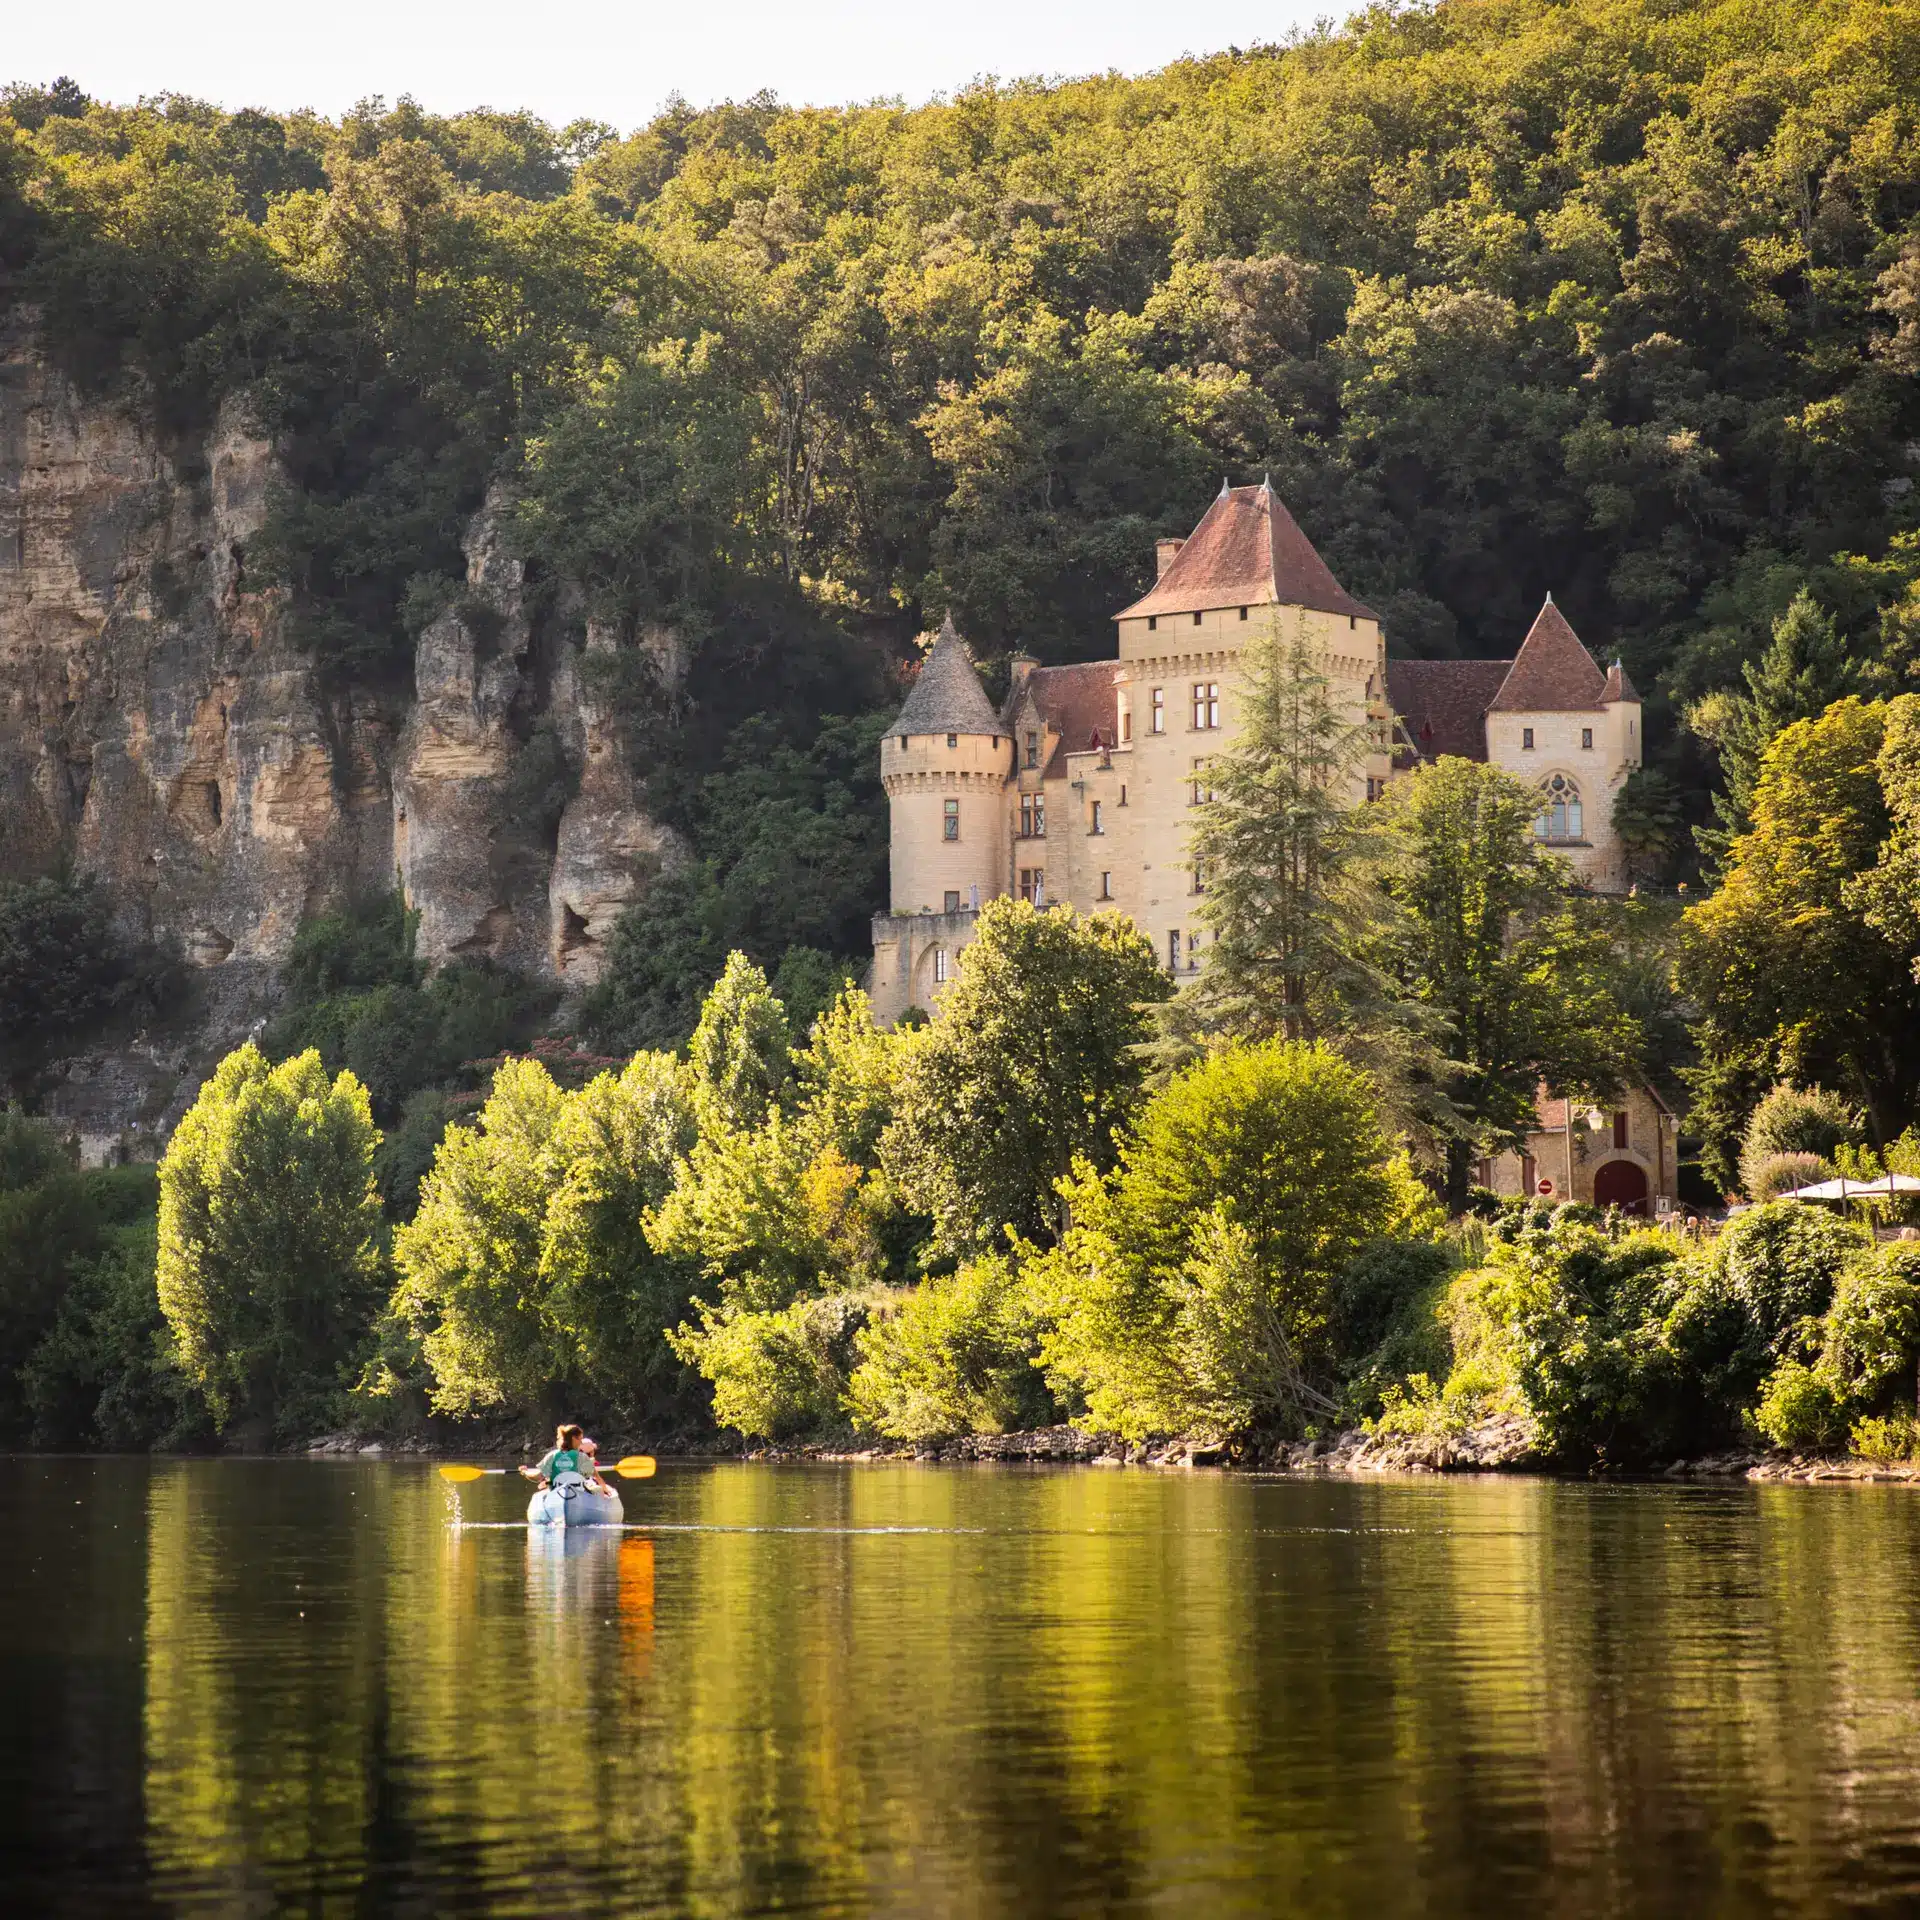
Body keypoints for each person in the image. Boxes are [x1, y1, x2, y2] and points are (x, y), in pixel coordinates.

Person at [522, 1424, 593, 1490]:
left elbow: (538, 1477)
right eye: (580, 1439)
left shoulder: (552, 1455)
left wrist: (525, 1472)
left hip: (556, 1493)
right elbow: (587, 1476)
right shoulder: (583, 1457)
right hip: (576, 1493)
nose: (581, 1443)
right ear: (573, 1439)